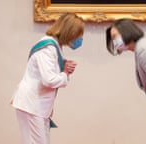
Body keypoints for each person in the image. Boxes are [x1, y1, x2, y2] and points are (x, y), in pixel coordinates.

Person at [11, 13, 85, 144]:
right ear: (69, 32)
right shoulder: (48, 48)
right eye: (78, 34)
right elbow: (49, 80)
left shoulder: (55, 46)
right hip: (31, 105)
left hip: (38, 106)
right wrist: (65, 73)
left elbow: (50, 69)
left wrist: (64, 65)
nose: (79, 38)